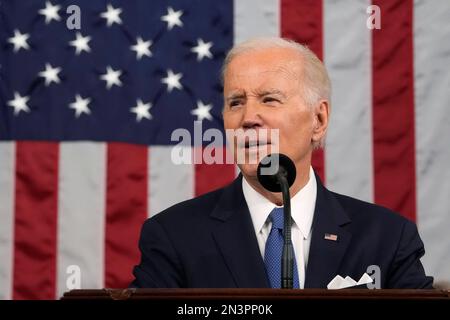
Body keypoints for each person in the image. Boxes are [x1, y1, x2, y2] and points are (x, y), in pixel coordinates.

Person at [130, 37, 433, 289]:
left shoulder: (388, 238)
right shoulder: (174, 236)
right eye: (236, 102)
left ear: (319, 119)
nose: (248, 118)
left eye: (269, 99)